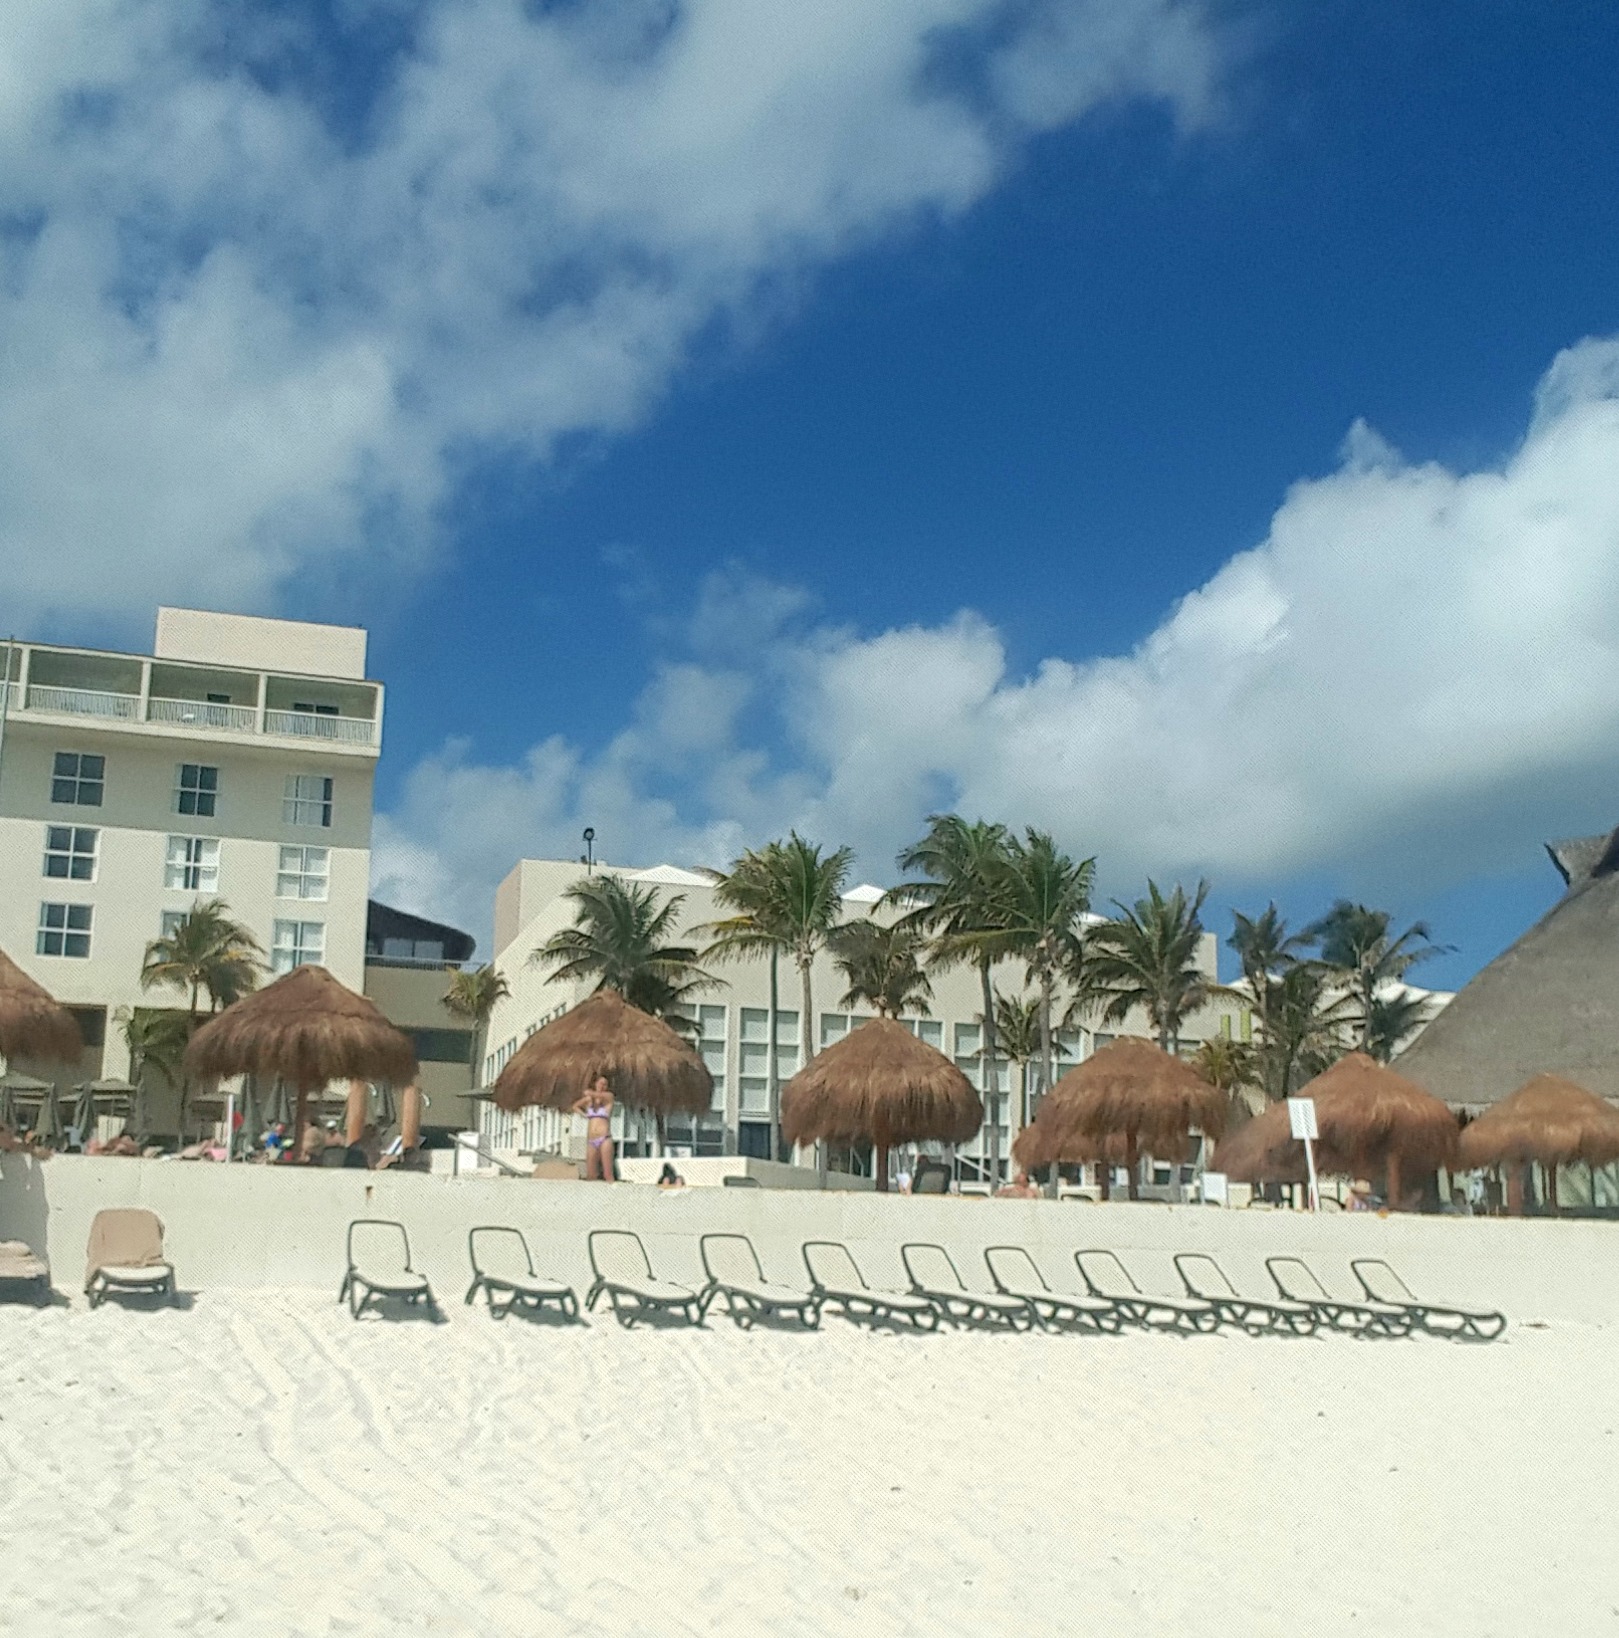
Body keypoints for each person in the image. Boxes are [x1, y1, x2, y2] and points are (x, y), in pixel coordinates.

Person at [570, 1074, 616, 1181]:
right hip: (591, 1140)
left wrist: (590, 1094)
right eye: (600, 1083)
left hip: (604, 1138)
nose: (602, 1086)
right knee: (591, 1175)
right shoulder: (589, 1101)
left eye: (605, 1084)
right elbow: (575, 1106)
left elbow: (593, 1094)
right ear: (595, 1084)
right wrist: (584, 1115)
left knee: (607, 1174)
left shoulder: (608, 1097)